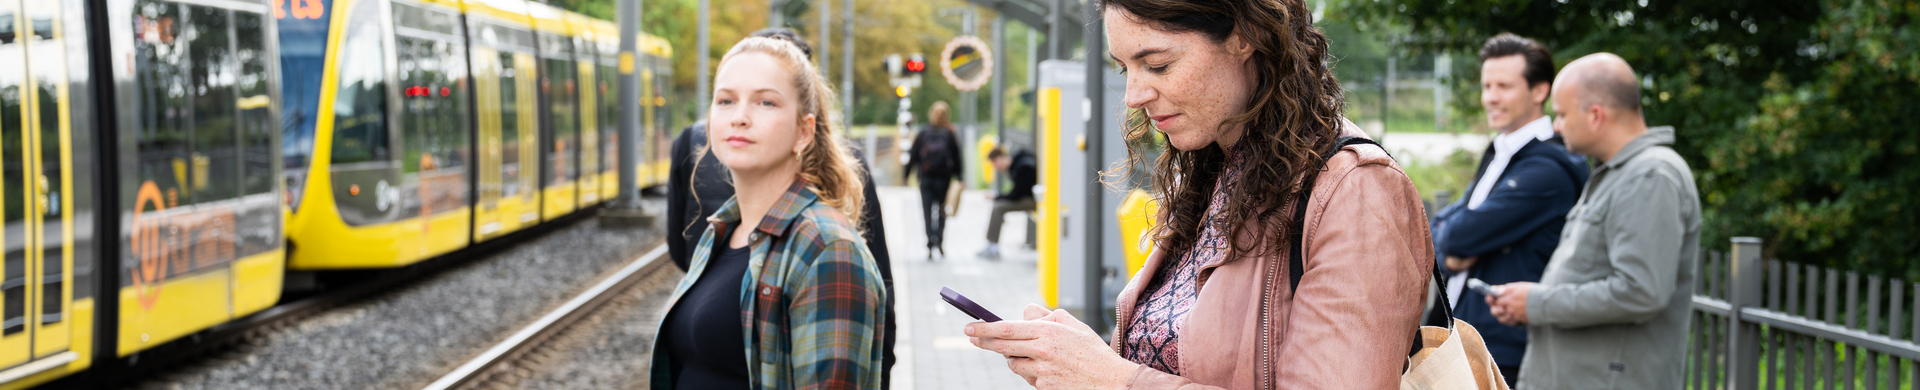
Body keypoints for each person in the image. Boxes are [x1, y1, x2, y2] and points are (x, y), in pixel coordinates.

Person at [965, 0, 1435, 388]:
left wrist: (1113, 378)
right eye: (1124, 66)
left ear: (1244, 35)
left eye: (1157, 64)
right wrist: (1078, 357)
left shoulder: (1356, 191)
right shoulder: (1217, 165)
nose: (1133, 94)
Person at [663, 28, 898, 387]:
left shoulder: (827, 251)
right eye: (725, 101)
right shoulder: (723, 231)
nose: (739, 116)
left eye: (765, 102)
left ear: (804, 132)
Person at [1483, 53, 1700, 390]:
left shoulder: (1650, 176)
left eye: (1563, 115)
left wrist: (1538, 303)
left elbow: (1641, 292)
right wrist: (1529, 304)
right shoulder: (1616, 173)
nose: (1556, 125)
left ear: (1596, 115)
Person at [1427, 33, 1590, 385]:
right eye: (1486, 85)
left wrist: (1451, 246)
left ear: (1539, 91)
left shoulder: (1548, 168)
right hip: (1467, 340)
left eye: (1503, 86)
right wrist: (1449, 250)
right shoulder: (1502, 152)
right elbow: (1437, 230)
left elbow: (1457, 235)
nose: (1490, 97)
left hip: (1507, 347)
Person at [903, 101, 963, 257]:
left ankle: (930, 241)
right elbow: (957, 157)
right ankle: (940, 241)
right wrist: (960, 177)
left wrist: (906, 175)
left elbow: (914, 155)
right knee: (942, 210)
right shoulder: (949, 134)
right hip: (944, 179)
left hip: (926, 179)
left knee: (927, 211)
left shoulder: (923, 133)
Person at [976, 147, 1036, 259]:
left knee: (999, 207)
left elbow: (1016, 196)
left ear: (1000, 158)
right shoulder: (1017, 164)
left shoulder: (1021, 167)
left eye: (994, 163)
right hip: (1031, 197)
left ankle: (993, 247)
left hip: (1034, 200)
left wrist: (997, 197)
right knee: (999, 206)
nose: (995, 168)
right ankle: (992, 245)